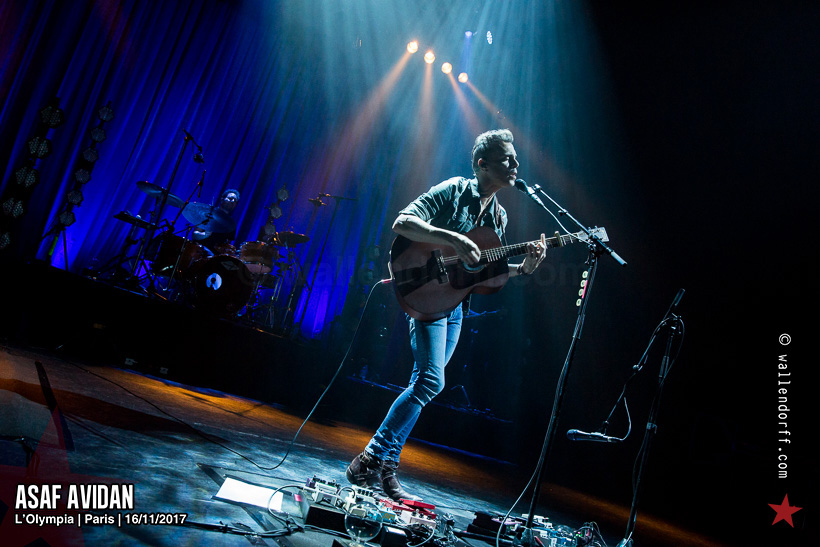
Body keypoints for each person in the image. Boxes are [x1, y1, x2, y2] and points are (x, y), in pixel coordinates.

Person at [346, 129, 548, 500]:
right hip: (426, 294)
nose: (516, 164)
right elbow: (402, 222)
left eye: (516, 158)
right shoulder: (454, 190)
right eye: (507, 158)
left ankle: (386, 467)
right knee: (430, 382)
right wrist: (452, 238)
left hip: (455, 305)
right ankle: (370, 457)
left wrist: (524, 268)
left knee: (421, 385)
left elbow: (487, 271)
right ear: (482, 164)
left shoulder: (499, 217)